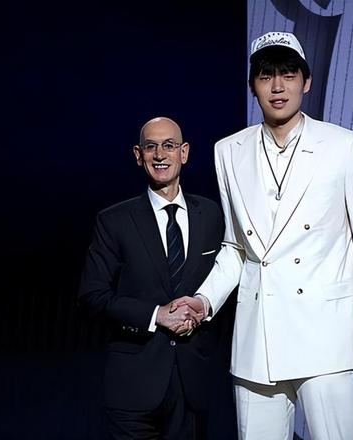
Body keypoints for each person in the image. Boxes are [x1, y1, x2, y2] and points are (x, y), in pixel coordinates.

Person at [173, 32, 353, 439]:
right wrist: (204, 301)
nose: (277, 86)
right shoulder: (229, 151)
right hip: (258, 340)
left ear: (306, 82)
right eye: (266, 76)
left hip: (327, 336)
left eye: (288, 75)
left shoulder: (343, 146)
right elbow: (237, 247)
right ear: (253, 85)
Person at [78, 117, 232, 439]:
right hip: (133, 387)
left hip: (193, 387)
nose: (160, 154)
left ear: (184, 152)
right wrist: (156, 315)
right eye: (151, 147)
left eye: (169, 146)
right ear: (139, 155)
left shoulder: (211, 215)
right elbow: (93, 295)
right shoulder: (114, 221)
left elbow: (227, 278)